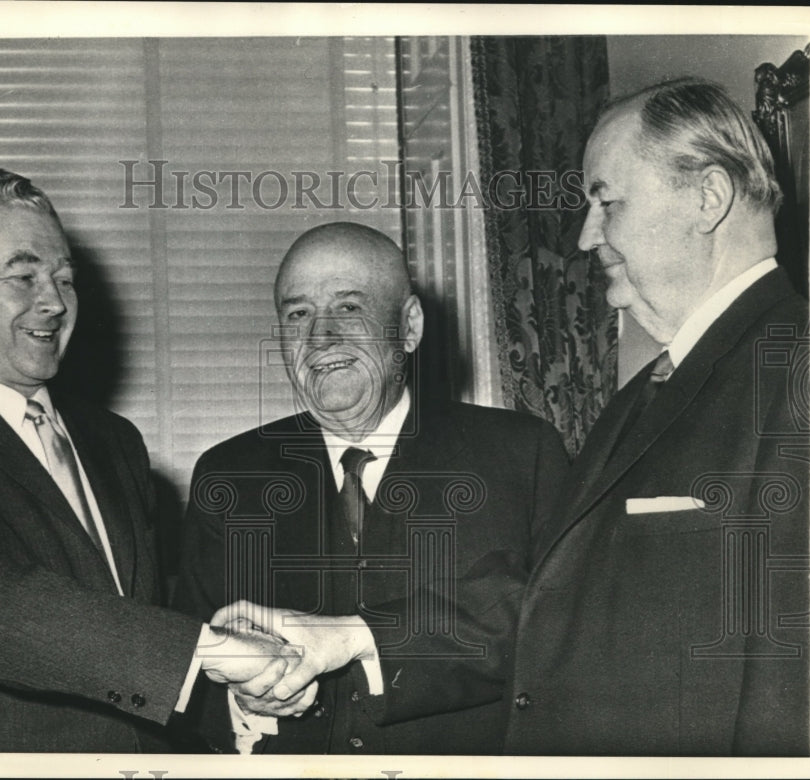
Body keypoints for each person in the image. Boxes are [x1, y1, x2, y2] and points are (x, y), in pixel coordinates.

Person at [222, 78, 810, 756]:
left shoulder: (801, 371)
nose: (587, 236)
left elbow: (795, 684)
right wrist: (352, 637)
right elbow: (546, 602)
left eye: (606, 201)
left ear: (707, 197)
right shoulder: (648, 394)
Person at [0, 168, 301, 752]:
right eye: (22, 276)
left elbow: (131, 649)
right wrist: (207, 649)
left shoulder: (114, 441)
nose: (53, 301)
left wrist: (235, 696)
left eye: (65, 279)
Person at [174, 222, 569, 754]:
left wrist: (360, 636)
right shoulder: (228, 475)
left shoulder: (521, 455)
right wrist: (246, 703)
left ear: (408, 326)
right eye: (298, 315)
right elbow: (183, 668)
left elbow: (562, 628)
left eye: (348, 308)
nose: (320, 338)